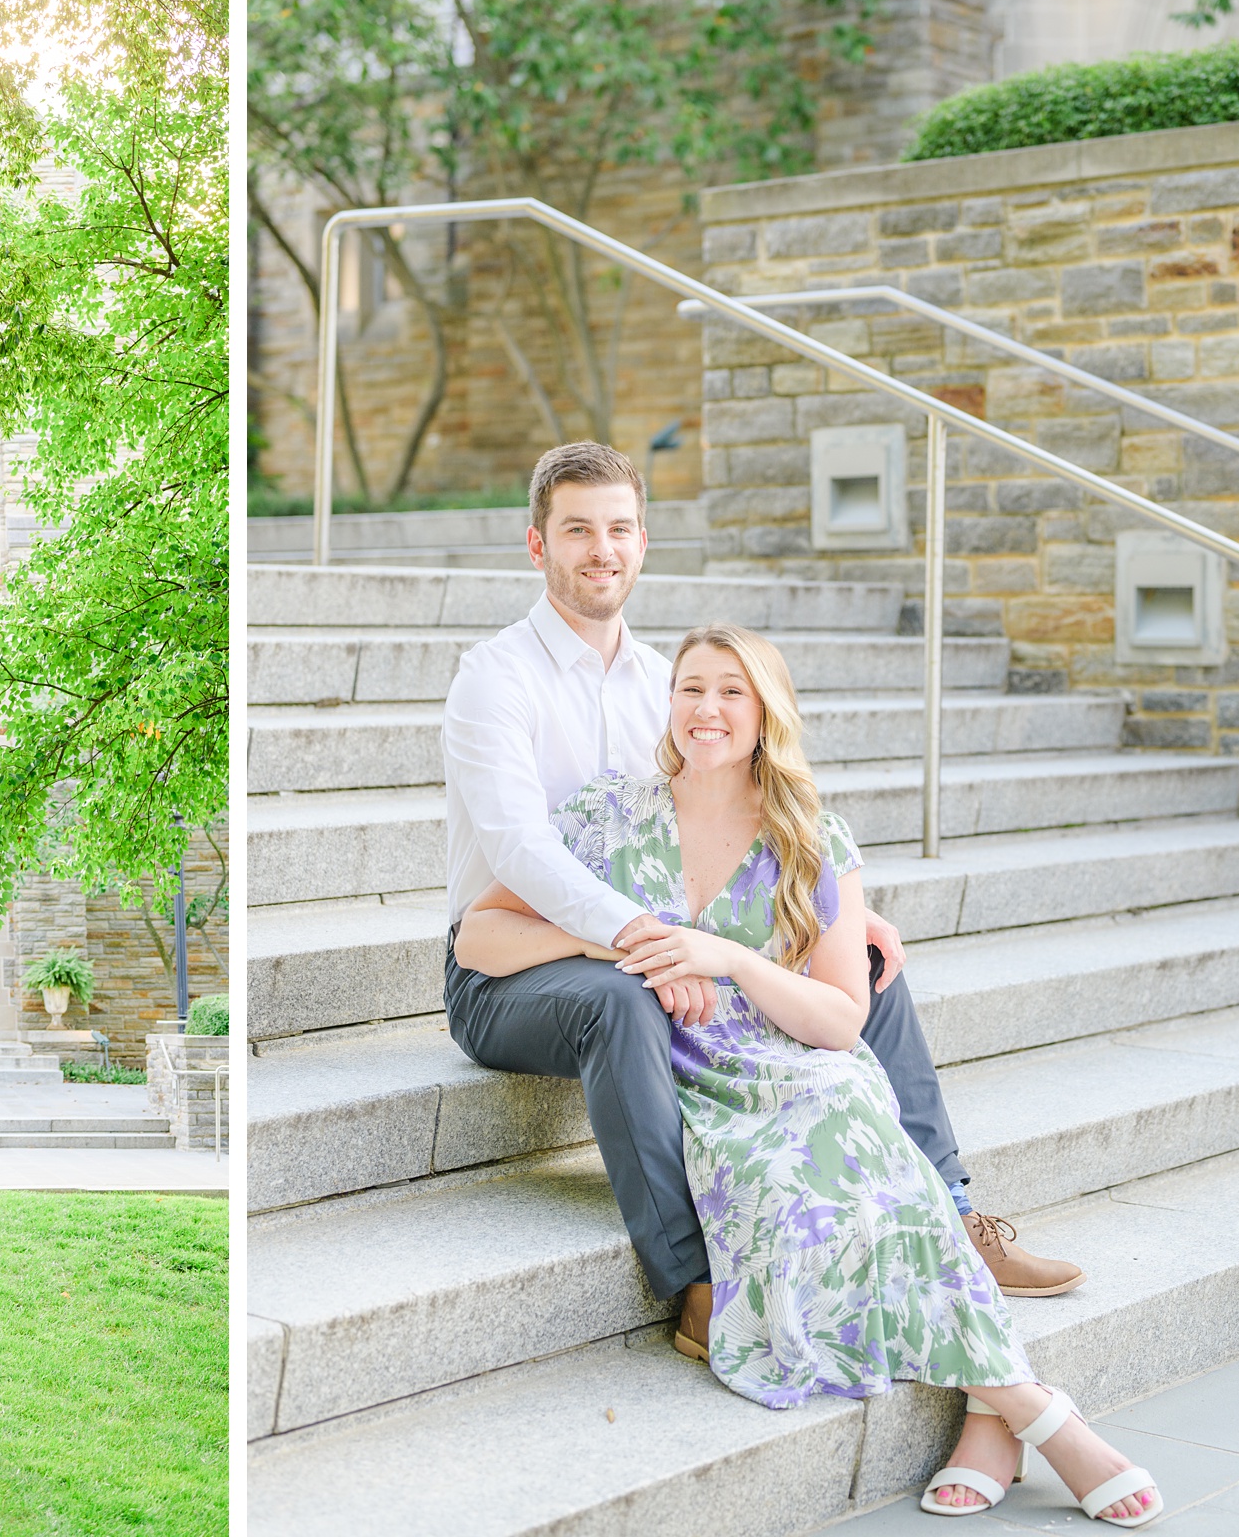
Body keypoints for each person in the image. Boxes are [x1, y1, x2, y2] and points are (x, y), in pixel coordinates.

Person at [458, 623, 1159, 1524]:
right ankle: (1026, 1413)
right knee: (816, 1193)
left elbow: (839, 1019)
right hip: (696, 1090)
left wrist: (732, 960)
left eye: (732, 693)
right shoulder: (607, 814)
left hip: (799, 1069)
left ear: (765, 714)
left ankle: (1008, 1410)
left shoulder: (810, 837)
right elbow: (481, 936)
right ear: (668, 703)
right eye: (691, 689)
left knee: (874, 1169)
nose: (707, 709)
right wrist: (630, 938)